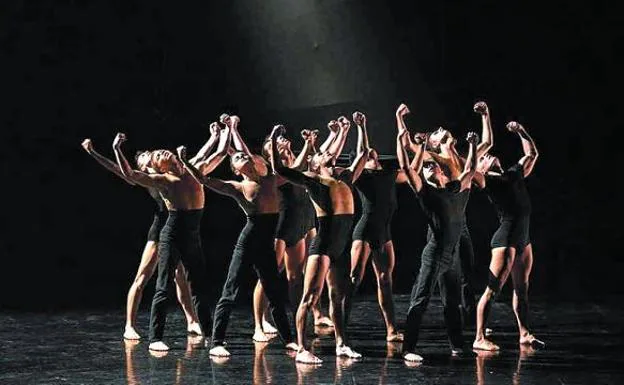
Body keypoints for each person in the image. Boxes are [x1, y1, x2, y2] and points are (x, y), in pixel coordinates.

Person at [180, 114, 297, 357]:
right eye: (237, 158)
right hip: (248, 241)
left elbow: (282, 165)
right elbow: (203, 179)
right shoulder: (238, 187)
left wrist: (274, 140)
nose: (243, 156)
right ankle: (217, 341)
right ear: (235, 170)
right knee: (230, 291)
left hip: (265, 243)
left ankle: (288, 339)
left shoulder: (270, 179)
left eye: (245, 155)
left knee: (275, 292)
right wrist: (185, 162)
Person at [81, 136, 217, 340]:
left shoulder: (169, 172)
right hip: (162, 227)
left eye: (149, 155)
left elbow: (201, 157)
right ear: (142, 166)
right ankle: (130, 325)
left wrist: (215, 137)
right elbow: (117, 168)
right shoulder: (149, 179)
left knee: (181, 278)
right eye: (144, 158)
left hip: (181, 224)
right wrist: (93, 152)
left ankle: (192, 321)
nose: (148, 157)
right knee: (143, 275)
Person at [112, 123, 230, 351]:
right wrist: (117, 149)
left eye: (162, 150)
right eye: (157, 155)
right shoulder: (162, 181)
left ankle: (212, 338)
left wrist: (222, 133)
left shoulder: (195, 167)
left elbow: (220, 153)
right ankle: (155, 338)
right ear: (158, 167)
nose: (162, 152)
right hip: (172, 233)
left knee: (198, 286)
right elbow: (129, 174)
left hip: (193, 235)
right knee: (163, 285)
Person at [270, 118, 368, 364]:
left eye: (327, 152)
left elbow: (364, 153)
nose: (326, 153)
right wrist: (272, 140)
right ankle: (303, 348)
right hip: (323, 244)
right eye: (321, 154)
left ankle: (342, 343)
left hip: (342, 245)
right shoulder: (312, 181)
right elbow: (279, 170)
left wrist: (360, 127)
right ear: (313, 164)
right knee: (311, 295)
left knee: (339, 297)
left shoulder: (344, 177)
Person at [396, 103, 479, 363]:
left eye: (433, 168)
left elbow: (471, 169)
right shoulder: (427, 195)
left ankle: (457, 344)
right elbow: (409, 170)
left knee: (451, 302)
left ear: (442, 171)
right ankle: (408, 347)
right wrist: (408, 141)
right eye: (427, 169)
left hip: (452, 254)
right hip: (435, 254)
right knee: (420, 299)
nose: (430, 169)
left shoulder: (457, 191)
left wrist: (474, 145)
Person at [411, 101, 494, 325]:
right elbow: (412, 151)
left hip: (461, 222)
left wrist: (485, 115)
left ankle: (471, 321)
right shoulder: (435, 159)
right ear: (435, 143)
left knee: (468, 271)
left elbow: (487, 142)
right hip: (442, 224)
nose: (440, 129)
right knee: (442, 274)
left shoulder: (461, 156)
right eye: (436, 133)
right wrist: (416, 139)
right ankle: (431, 313)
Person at [253, 128, 334, 342]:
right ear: (270, 148)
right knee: (269, 274)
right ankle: (259, 324)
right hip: (283, 224)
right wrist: (276, 141)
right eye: (277, 139)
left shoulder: (295, 159)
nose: (283, 138)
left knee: (298, 275)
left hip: (305, 218)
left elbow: (313, 165)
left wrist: (312, 142)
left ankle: (310, 315)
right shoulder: (272, 168)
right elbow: (291, 171)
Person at [471, 121, 545, 351]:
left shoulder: (514, 173)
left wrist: (521, 131)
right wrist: (474, 148)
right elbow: (470, 170)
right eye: (484, 159)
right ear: (482, 169)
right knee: (492, 290)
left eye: (487, 155)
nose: (488, 156)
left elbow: (532, 153)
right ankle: (479, 337)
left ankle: (524, 333)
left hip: (523, 240)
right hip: (505, 242)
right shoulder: (488, 181)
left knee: (522, 290)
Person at [346, 111, 407, 342]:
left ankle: (391, 330)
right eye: (367, 153)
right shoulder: (361, 176)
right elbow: (362, 152)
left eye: (373, 152)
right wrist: (361, 126)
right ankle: (342, 329)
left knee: (385, 280)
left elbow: (411, 171)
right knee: (354, 279)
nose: (372, 152)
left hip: (385, 232)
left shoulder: (390, 174)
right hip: (365, 232)